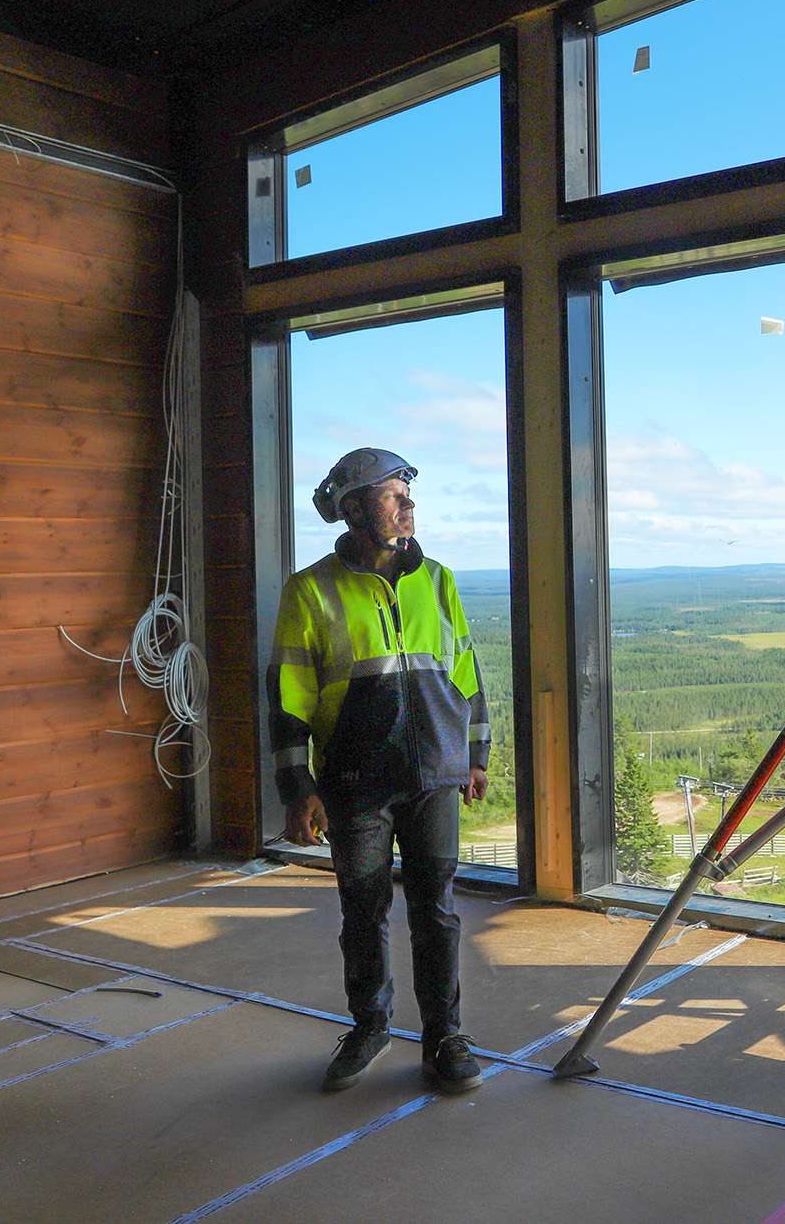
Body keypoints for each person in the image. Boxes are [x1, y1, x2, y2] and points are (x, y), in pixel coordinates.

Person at [269, 447, 491, 1093]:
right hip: (355, 783)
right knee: (362, 910)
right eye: (395, 495)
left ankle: (444, 1034)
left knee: (436, 910)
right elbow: (288, 698)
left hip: (433, 778)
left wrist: (475, 756)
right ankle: (370, 1025)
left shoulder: (438, 579)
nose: (408, 506)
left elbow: (467, 674)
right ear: (354, 508)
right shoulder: (310, 590)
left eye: (407, 495)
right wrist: (298, 787)